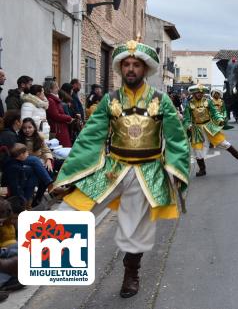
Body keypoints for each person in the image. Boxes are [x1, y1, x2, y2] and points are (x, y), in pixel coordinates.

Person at [54, 39, 190, 298]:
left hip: (147, 171)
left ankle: (131, 274)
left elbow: (176, 140)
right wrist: (70, 174)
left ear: (145, 68)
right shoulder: (109, 100)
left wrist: (175, 170)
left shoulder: (162, 101)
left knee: (134, 229)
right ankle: (35, 263)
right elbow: (90, 138)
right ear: (120, 67)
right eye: (126, 64)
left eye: (135, 64)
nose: (130, 69)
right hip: (112, 169)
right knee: (70, 210)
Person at [183, 84, 238, 177]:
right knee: (198, 151)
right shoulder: (189, 104)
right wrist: (188, 125)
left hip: (210, 127)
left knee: (223, 143)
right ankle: (202, 170)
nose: (199, 94)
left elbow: (215, 113)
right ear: (194, 93)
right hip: (196, 129)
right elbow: (186, 118)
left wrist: (220, 119)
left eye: (201, 93)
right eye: (198, 93)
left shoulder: (208, 102)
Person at [44, 80, 73, 148]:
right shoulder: (51, 100)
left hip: (60, 127)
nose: (58, 89)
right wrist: (68, 118)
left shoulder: (54, 99)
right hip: (58, 128)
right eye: (56, 87)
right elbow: (55, 115)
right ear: (50, 89)